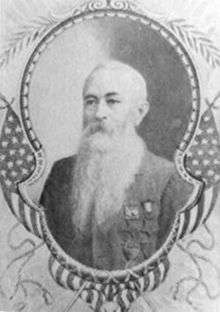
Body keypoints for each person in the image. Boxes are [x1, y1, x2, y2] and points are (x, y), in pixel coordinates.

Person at [40, 60, 193, 270]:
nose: (98, 113)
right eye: (91, 101)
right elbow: (42, 256)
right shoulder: (61, 173)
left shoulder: (167, 178)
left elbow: (178, 266)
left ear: (139, 112)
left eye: (112, 101)